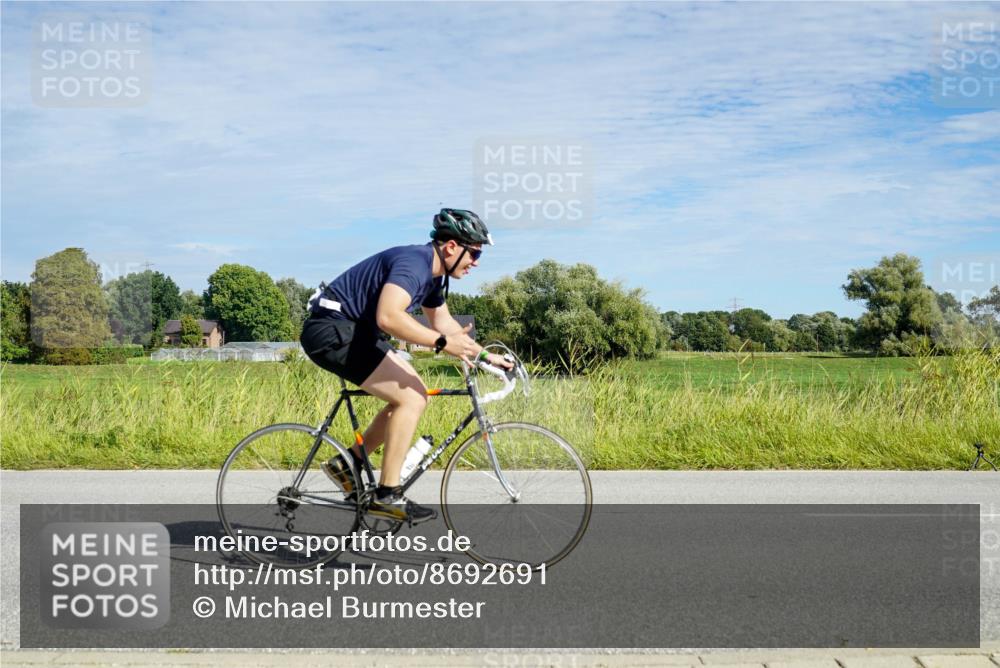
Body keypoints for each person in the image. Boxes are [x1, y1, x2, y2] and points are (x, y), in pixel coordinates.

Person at [299, 208, 512, 524]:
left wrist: (487, 358)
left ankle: (349, 464)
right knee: (412, 396)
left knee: (414, 393)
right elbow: (389, 317)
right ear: (451, 246)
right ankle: (387, 494)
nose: (476, 262)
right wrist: (440, 343)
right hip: (332, 330)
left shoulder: (432, 278)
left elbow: (444, 323)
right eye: (474, 252)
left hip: (355, 332)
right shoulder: (414, 265)